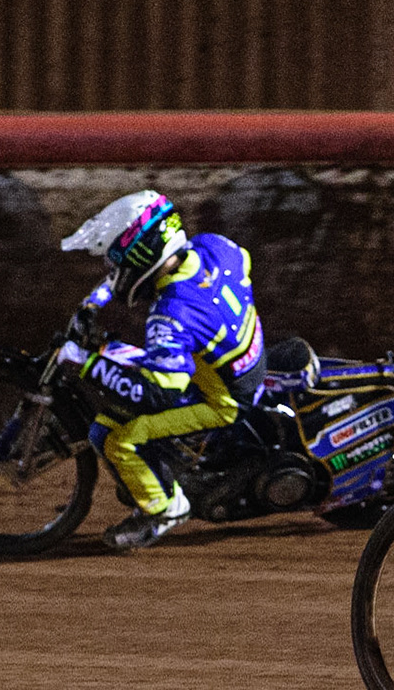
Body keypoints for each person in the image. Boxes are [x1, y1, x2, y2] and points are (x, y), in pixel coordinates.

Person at [55, 190, 266, 551]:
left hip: (223, 401)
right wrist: (93, 303)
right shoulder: (214, 246)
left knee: (113, 436)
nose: (112, 271)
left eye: (116, 261)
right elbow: (243, 264)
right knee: (135, 361)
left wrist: (86, 364)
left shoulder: (170, 315)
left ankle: (165, 509)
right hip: (247, 360)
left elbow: (158, 394)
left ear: (142, 255)